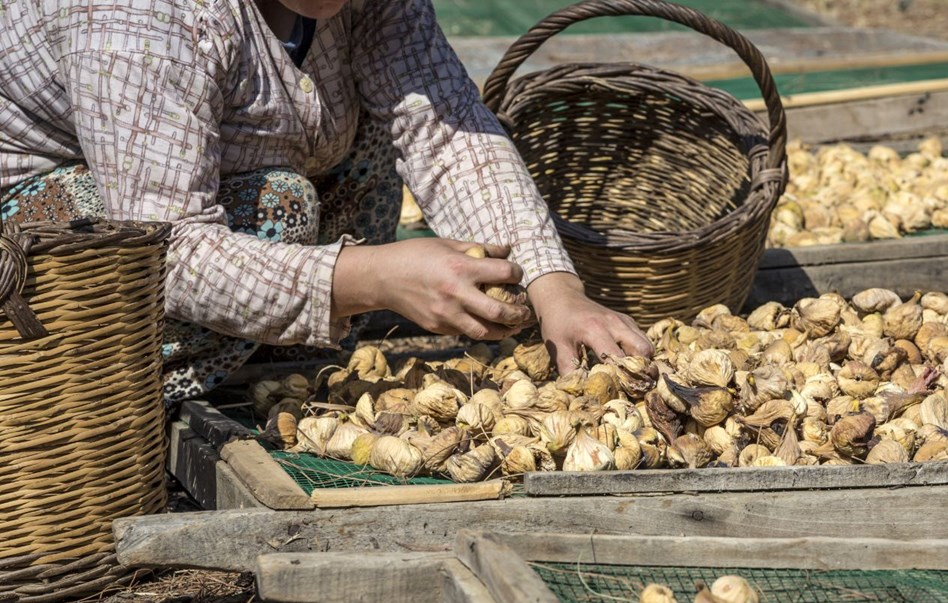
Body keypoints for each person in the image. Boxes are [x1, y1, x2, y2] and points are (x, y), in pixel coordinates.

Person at [0, 0, 652, 405]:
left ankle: (275, 366)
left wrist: (554, 288)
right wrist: (370, 276)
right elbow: (166, 247)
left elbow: (445, 131)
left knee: (375, 129)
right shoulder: (140, 14)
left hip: (219, 174)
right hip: (45, 228)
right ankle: (138, 400)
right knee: (280, 205)